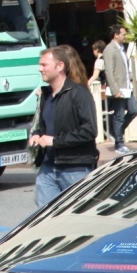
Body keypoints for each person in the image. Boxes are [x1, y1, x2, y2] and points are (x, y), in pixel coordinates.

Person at [30, 46, 98, 208]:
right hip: (47, 168)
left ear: (60, 66)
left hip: (75, 168)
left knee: (77, 218)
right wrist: (37, 134)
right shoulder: (45, 95)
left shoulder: (79, 94)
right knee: (45, 218)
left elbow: (90, 130)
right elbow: (45, 124)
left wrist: (55, 141)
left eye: (44, 65)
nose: (40, 69)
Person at [102, 25, 137, 152]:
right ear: (116, 35)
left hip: (127, 87)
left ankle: (116, 131)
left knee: (133, 110)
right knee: (119, 115)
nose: (125, 36)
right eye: (123, 34)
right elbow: (109, 72)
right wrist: (115, 89)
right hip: (119, 88)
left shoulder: (122, 49)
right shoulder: (109, 49)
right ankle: (119, 143)